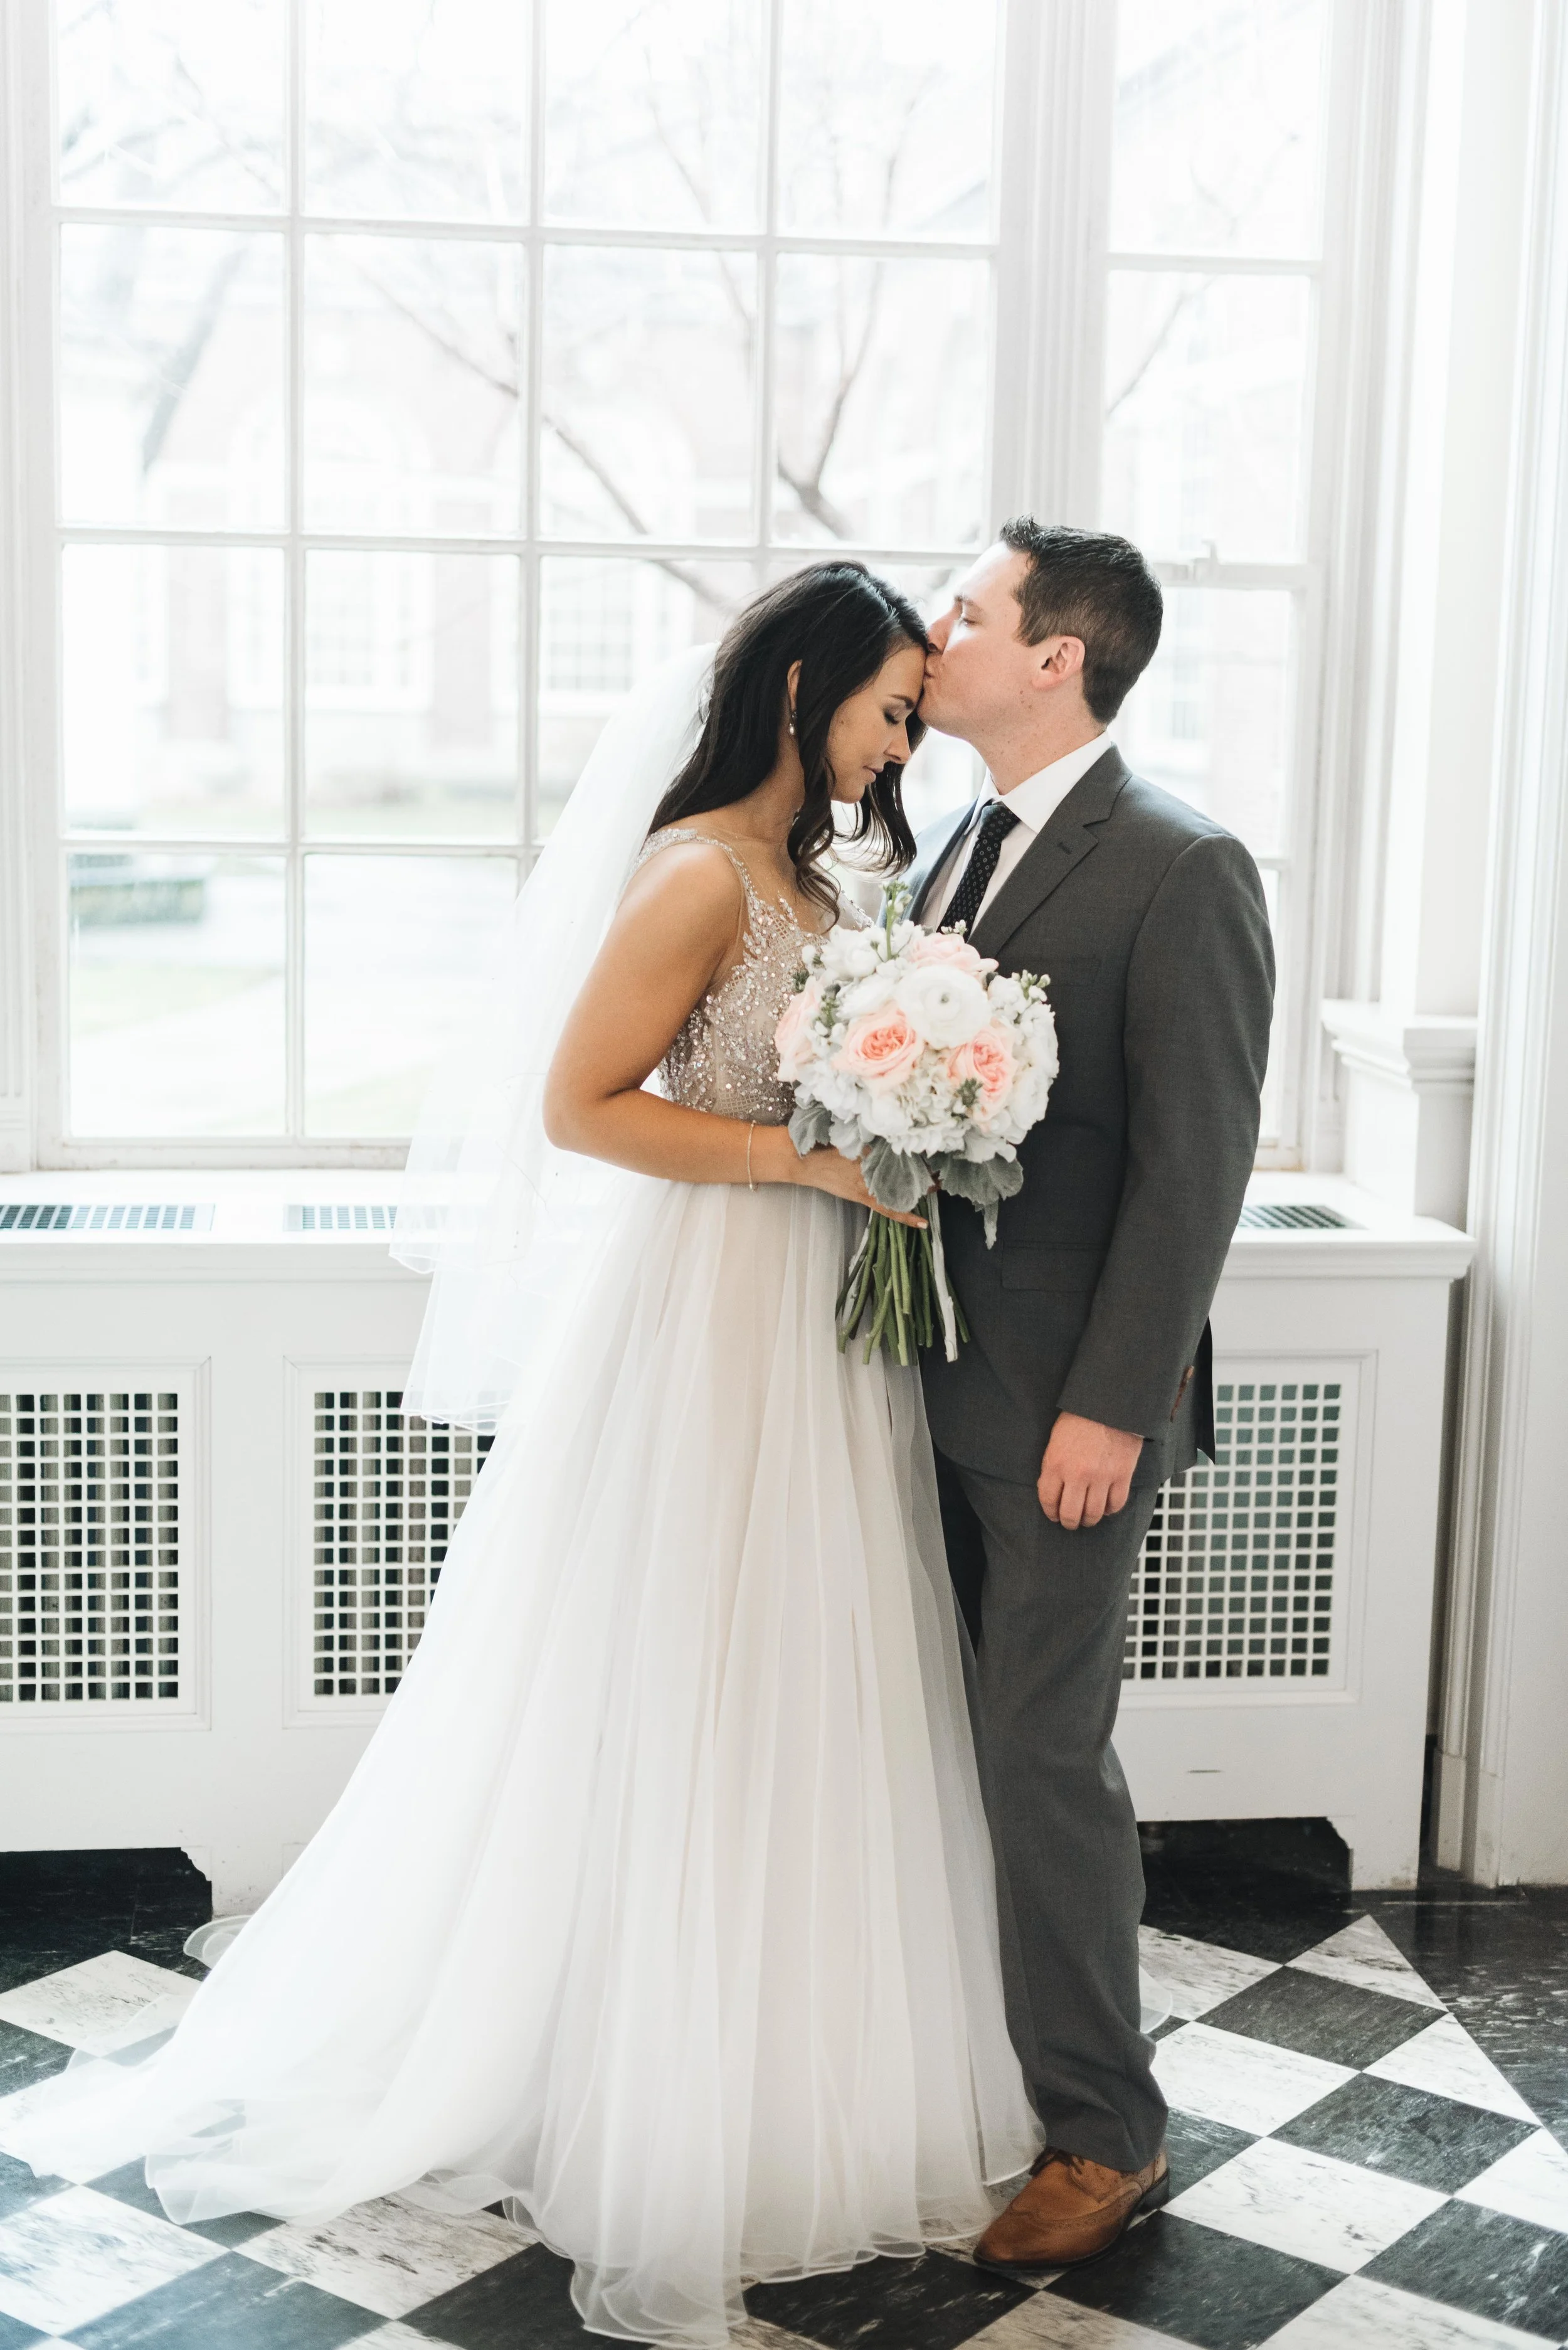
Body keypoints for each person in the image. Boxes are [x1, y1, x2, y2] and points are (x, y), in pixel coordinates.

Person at [1, 565, 1041, 2350]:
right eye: (886, 712)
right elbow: (582, 1107)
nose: (902, 746)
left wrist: (906, 1120)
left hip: (818, 1331)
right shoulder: (697, 871)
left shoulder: (827, 877)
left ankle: (789, 2061)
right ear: (802, 697)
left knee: (802, 1677)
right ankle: (617, 2070)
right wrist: (804, 1160)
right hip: (705, 1313)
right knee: (669, 1675)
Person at [906, 518, 1275, 2273]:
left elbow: (1196, 1173)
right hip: (906, 1376)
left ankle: (1103, 2134)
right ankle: (957, 2073)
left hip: (1062, 1410)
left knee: (1043, 1760)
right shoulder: (951, 845)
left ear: (1058, 655)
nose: (939, 631)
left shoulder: (1181, 866)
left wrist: (1113, 1406)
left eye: (968, 609)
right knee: (932, 1740)